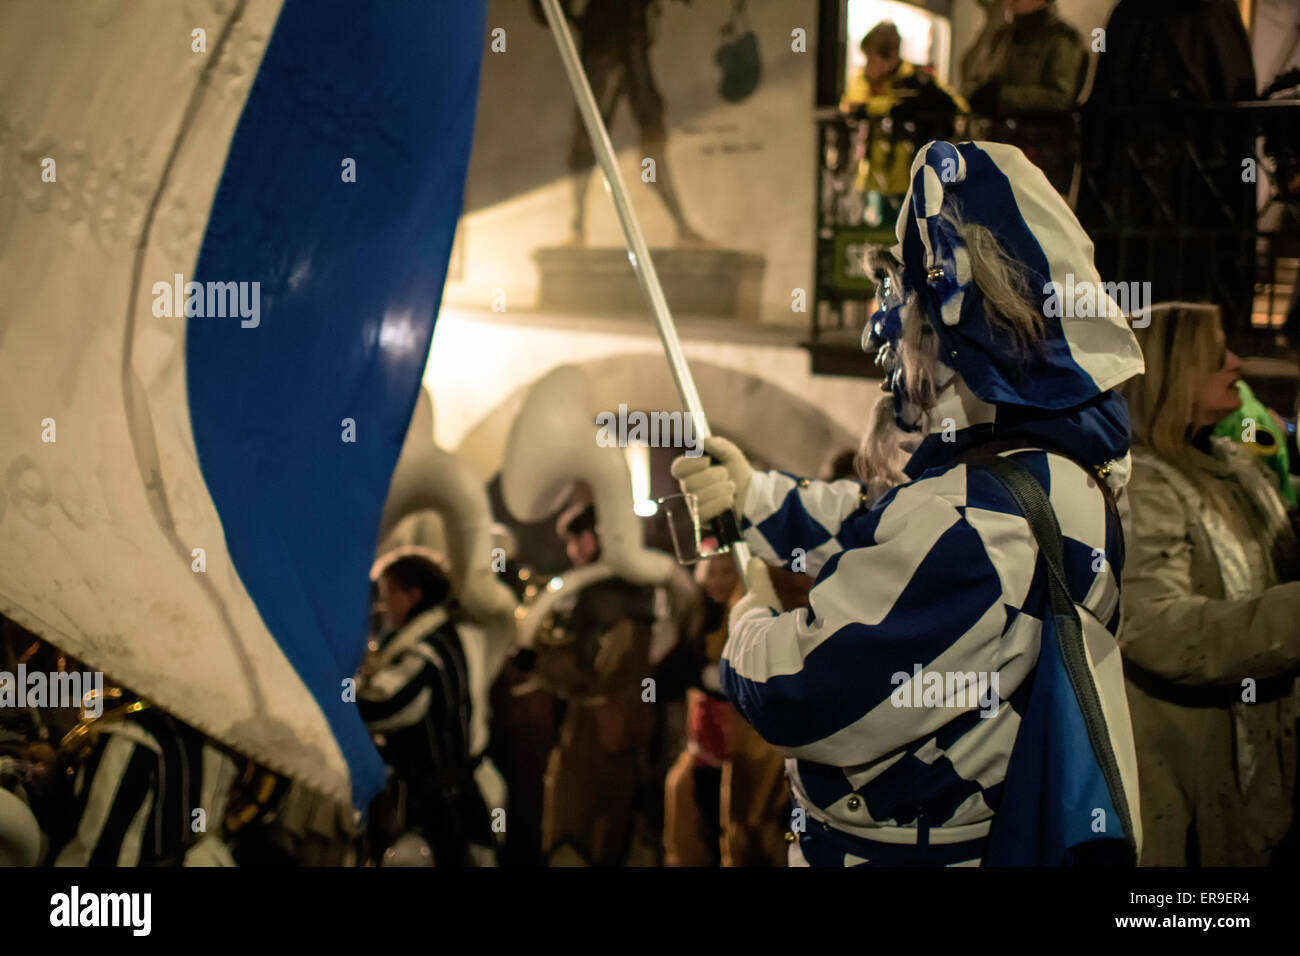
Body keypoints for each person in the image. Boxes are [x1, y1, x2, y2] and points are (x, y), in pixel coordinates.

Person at [673, 140, 1145, 866]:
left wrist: (748, 616)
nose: (881, 332)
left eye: (902, 301)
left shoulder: (975, 520)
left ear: (961, 320)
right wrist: (752, 497)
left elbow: (796, 690)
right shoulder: (1058, 475)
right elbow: (881, 526)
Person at [1118, 302, 1300, 866]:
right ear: (1171, 374)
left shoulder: (1232, 466)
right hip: (1185, 789)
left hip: (1256, 771)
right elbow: (1159, 628)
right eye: (1216, 355)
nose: (1237, 364)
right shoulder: (1143, 486)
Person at [359, 553, 497, 866]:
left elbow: (385, 707)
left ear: (413, 596)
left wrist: (343, 692)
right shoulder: (465, 635)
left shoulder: (424, 655)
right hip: (470, 797)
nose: (383, 605)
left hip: (436, 813)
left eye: (388, 593)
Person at [840, 21, 966, 222]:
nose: (872, 63)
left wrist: (917, 100)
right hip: (873, 172)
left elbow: (956, 105)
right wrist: (889, 106)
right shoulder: (863, 79)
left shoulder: (918, 78)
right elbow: (852, 106)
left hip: (911, 171)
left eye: (877, 56)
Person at [964, 0, 1087, 192]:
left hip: (1039, 152)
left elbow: (1061, 96)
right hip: (996, 147)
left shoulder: (1061, 39)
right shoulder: (1003, 35)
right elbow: (975, 73)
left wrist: (1002, 97)